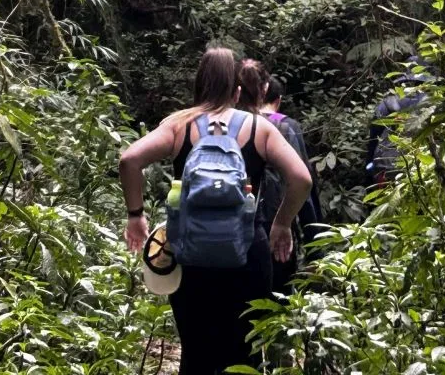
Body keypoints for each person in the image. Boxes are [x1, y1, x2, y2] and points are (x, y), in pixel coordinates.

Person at [119, 48, 313, 375]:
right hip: (247, 253)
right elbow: (301, 178)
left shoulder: (178, 125)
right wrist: (282, 224)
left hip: (191, 255)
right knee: (244, 354)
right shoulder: (259, 128)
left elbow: (129, 161)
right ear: (237, 91)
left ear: (198, 86)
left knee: (196, 352)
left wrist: (135, 215)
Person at [253, 74, 324, 296]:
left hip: (244, 222)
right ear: (278, 99)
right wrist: (315, 242)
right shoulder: (286, 127)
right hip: (278, 219)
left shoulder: (239, 124)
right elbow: (303, 183)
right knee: (279, 291)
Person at [364, 57, 434, 187]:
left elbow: (373, 139)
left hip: (385, 168)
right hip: (421, 167)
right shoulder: (434, 104)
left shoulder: (387, 103)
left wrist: (368, 169)